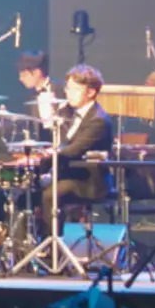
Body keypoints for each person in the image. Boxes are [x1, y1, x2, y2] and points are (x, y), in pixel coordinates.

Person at [34, 64, 114, 234]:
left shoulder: (98, 120)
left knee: (50, 195)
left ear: (90, 92)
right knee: (28, 191)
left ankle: (53, 243)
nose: (68, 93)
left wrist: (47, 158)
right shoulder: (68, 113)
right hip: (70, 174)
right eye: (67, 88)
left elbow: (74, 150)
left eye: (74, 89)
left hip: (89, 181)